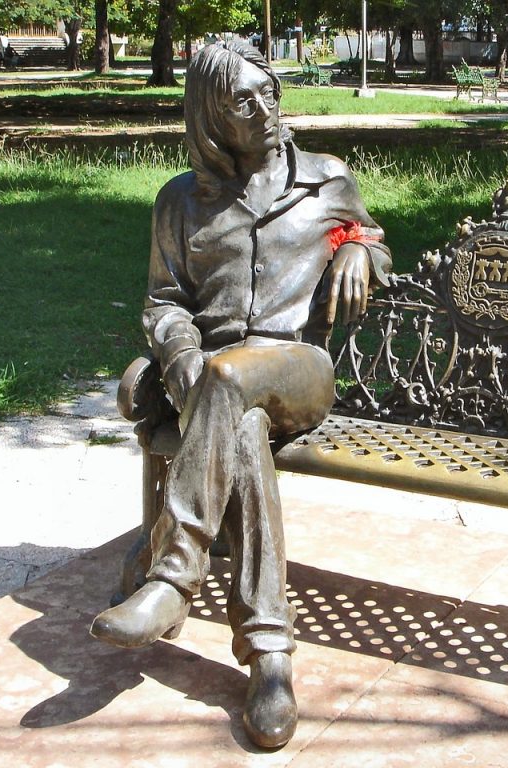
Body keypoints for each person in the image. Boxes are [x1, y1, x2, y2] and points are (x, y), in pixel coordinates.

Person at [89, 41, 391, 749]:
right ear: (209, 117)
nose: (266, 108)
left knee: (234, 385)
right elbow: (164, 304)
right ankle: (270, 660)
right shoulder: (181, 204)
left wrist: (357, 249)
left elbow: (376, 238)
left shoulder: (325, 180)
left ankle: (173, 573)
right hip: (219, 387)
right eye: (243, 101)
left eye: (269, 90)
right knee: (239, 425)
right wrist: (181, 358)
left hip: (299, 370)